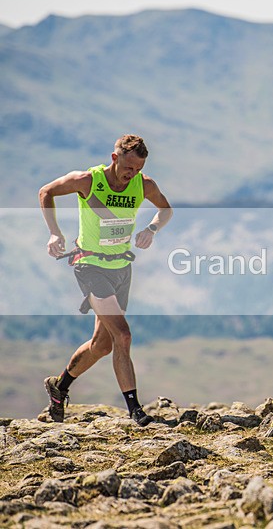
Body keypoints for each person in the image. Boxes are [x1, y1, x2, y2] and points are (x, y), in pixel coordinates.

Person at [39, 134, 173, 426]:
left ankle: (59, 387)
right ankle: (136, 411)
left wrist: (151, 229)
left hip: (121, 268)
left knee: (102, 345)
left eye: (137, 169)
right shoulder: (88, 181)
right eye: (128, 167)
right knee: (122, 335)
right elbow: (46, 192)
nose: (131, 174)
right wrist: (54, 232)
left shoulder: (144, 185)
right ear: (115, 158)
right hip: (89, 266)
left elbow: (166, 210)